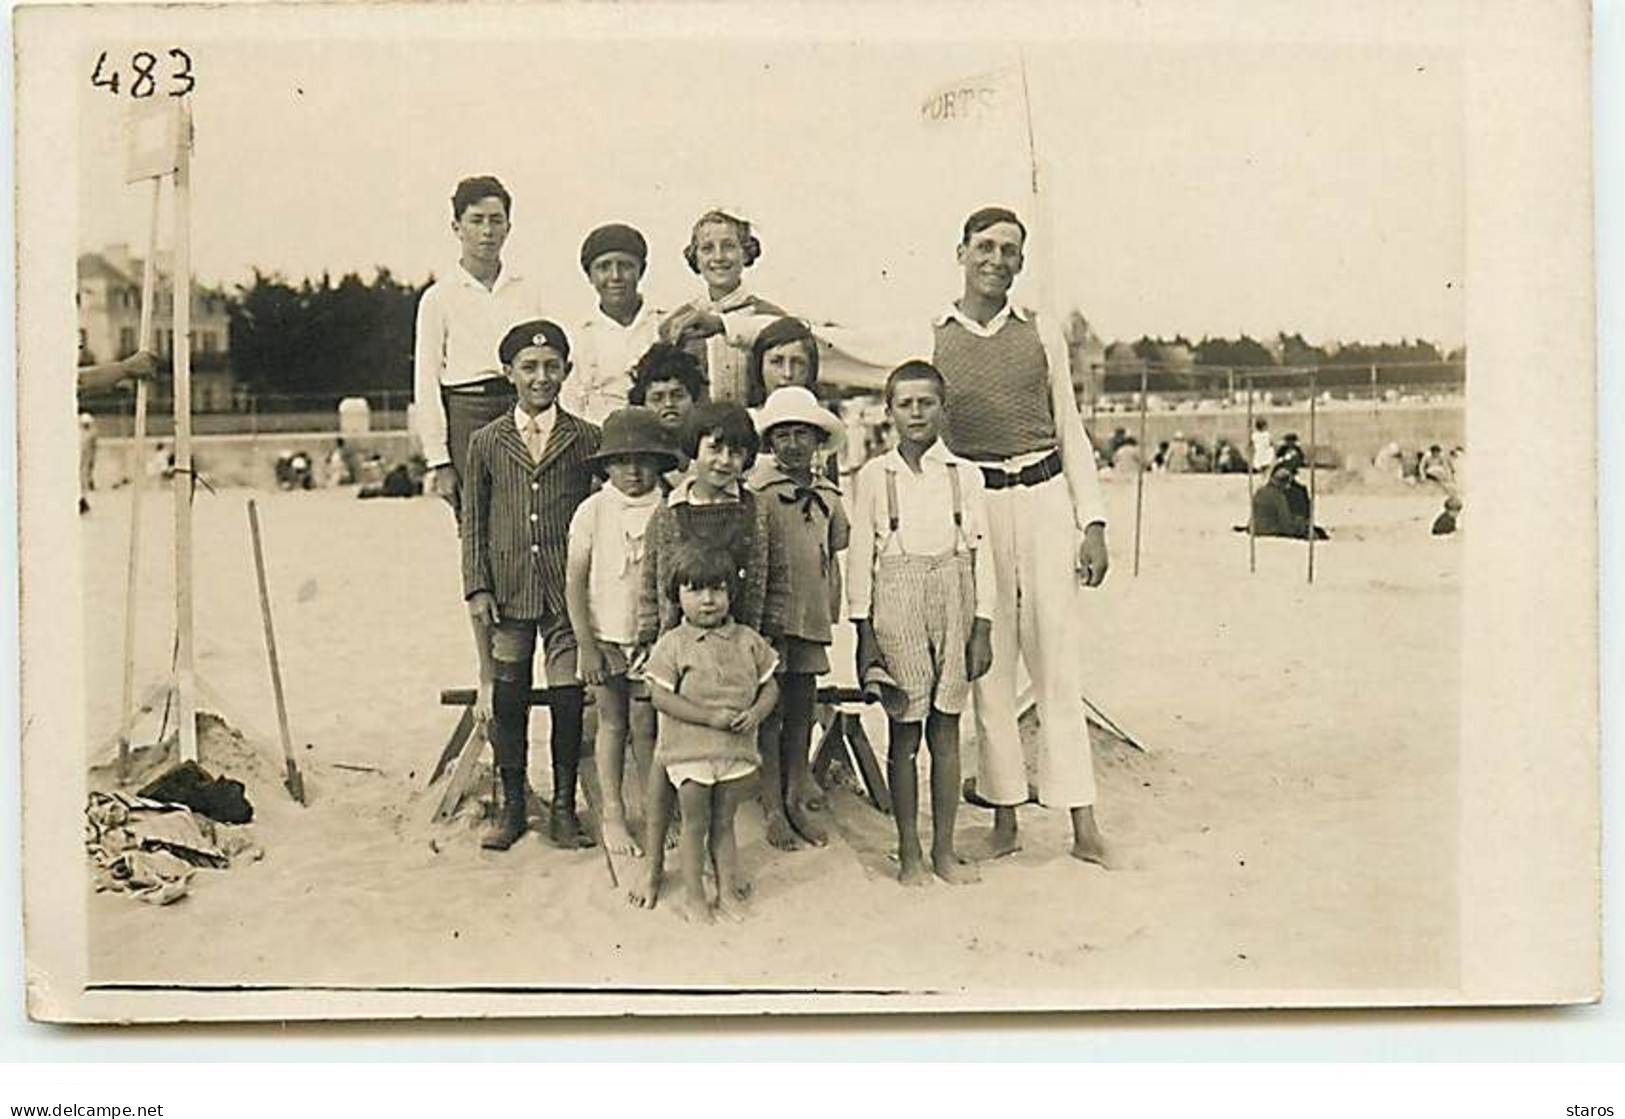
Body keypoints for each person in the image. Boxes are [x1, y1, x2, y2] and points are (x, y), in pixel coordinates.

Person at [930, 206, 1111, 867]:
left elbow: (1069, 428)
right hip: (974, 504)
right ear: (961, 250)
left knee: (1055, 661)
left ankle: (1081, 825)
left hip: (1041, 499)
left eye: (1009, 250)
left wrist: (1091, 521)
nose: (996, 259)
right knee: (991, 664)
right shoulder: (933, 332)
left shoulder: (1040, 333)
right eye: (985, 246)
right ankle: (1004, 816)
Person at [630, 401, 787, 902]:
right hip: (679, 652)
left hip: (735, 647)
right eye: (714, 448)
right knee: (665, 759)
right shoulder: (670, 512)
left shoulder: (755, 510)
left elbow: (764, 578)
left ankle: (722, 868)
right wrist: (652, 640)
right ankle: (654, 866)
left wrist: (756, 643)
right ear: (694, 449)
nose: (725, 461)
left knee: (725, 765)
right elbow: (652, 584)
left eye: (737, 452)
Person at [848, 361, 995, 886]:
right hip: (896, 603)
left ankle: (945, 851)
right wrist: (863, 634)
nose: (916, 412)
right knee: (905, 730)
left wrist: (983, 626)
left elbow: (984, 559)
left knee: (948, 729)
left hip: (955, 597)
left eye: (925, 402)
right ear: (888, 411)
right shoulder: (873, 476)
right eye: (905, 403)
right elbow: (860, 558)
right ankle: (909, 851)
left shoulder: (965, 475)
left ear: (942, 407)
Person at [463, 319, 602, 851]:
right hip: (510, 587)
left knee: (568, 693)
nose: (540, 377)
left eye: (551, 367)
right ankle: (514, 804)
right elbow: (474, 520)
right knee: (510, 694)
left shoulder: (587, 438)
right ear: (509, 373)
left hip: (566, 590)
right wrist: (477, 585)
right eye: (529, 367)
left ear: (566, 370)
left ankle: (565, 806)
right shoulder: (487, 441)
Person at [641, 546, 780, 924]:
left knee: (724, 823)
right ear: (677, 595)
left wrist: (756, 712)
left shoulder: (747, 639)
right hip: (690, 752)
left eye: (717, 590)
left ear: (730, 592)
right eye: (695, 590)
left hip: (733, 749)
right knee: (695, 823)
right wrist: (707, 716)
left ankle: (728, 890)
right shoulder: (673, 644)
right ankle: (695, 897)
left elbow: (771, 686)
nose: (708, 600)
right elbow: (661, 697)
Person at [564, 407, 679, 857]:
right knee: (612, 723)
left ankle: (656, 809)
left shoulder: (671, 506)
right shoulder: (592, 511)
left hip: (657, 637)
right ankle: (613, 811)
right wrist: (586, 645)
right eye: (623, 460)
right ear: (606, 465)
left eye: (645, 459)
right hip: (607, 635)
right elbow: (575, 581)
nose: (633, 470)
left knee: (648, 723)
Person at [748, 386, 849, 850]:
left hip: (811, 616)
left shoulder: (829, 493)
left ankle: (795, 790)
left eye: (801, 435)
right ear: (770, 443)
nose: (791, 444)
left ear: (816, 441)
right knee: (770, 712)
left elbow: (836, 550)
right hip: (771, 616)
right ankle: (770, 803)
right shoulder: (759, 492)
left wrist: (833, 604)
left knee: (802, 709)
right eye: (782, 436)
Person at [412, 176, 542, 523]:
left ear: (508, 227)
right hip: (467, 413)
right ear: (457, 227)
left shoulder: (527, 291)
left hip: (521, 410)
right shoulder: (439, 298)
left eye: (496, 220)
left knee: (527, 522)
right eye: (477, 220)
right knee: (476, 529)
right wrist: (439, 461)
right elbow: (426, 383)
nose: (487, 231)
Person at [658, 209, 785, 403]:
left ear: (746, 253)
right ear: (696, 258)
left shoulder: (772, 318)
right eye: (707, 248)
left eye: (728, 246)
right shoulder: (676, 324)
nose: (718, 257)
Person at [563, 223, 664, 424]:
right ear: (590, 275)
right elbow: (571, 405)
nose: (615, 276)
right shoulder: (578, 337)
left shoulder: (664, 325)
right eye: (604, 267)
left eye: (625, 266)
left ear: (641, 271)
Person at [628, 342, 705, 486]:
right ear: (643, 404)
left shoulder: (707, 451)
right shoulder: (634, 458)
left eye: (678, 395)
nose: (668, 404)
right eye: (657, 398)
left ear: (693, 398)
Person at [1248, 461, 1327, 540]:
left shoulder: (1260, 492)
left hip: (1256, 530)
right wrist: (1301, 527)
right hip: (1271, 531)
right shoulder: (1278, 497)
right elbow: (1286, 524)